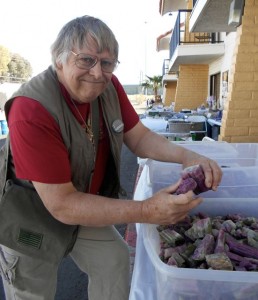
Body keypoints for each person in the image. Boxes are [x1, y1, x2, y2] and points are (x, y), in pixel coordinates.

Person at [0, 15, 222, 300]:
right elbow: (62, 205)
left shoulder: (110, 87)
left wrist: (187, 155)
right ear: (59, 60)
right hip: (32, 217)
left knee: (114, 259)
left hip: (81, 204)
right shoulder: (31, 109)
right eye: (86, 60)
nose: (97, 73)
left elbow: (139, 137)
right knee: (33, 292)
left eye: (107, 63)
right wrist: (146, 210)